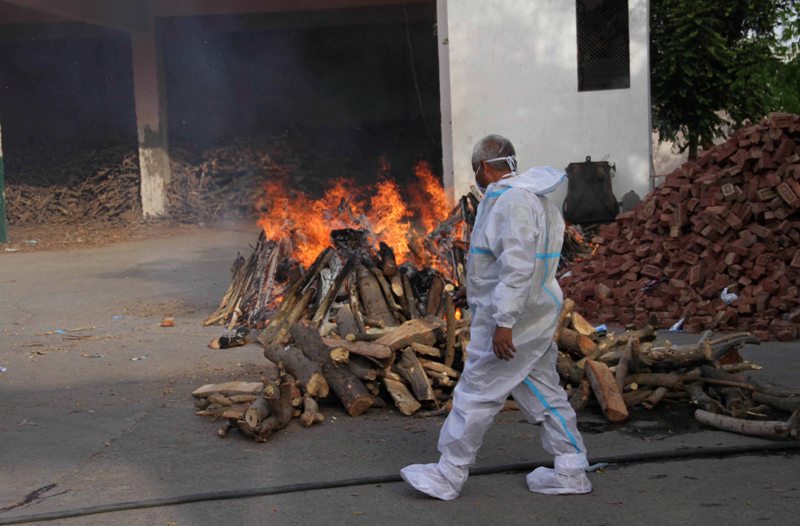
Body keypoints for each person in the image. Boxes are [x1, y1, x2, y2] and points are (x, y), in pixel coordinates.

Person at [401, 135, 592, 500]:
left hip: (513, 321)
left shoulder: (511, 203)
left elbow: (517, 268)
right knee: (543, 391)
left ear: (485, 166)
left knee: (476, 393)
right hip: (535, 314)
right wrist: (471, 288)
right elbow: (508, 261)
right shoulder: (534, 199)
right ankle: (572, 469)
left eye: (475, 169)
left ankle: (448, 474)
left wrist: (504, 323)